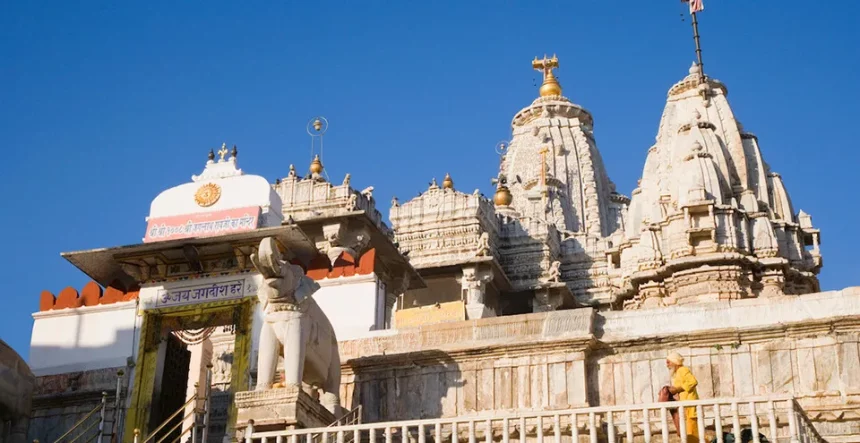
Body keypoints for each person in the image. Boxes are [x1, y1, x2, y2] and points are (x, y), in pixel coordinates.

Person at [665, 352, 699, 443]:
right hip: (685, 405)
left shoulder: (683, 370)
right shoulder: (677, 373)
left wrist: (678, 389)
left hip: (690, 405)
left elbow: (693, 382)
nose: (667, 365)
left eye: (668, 362)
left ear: (674, 362)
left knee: (691, 433)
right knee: (688, 433)